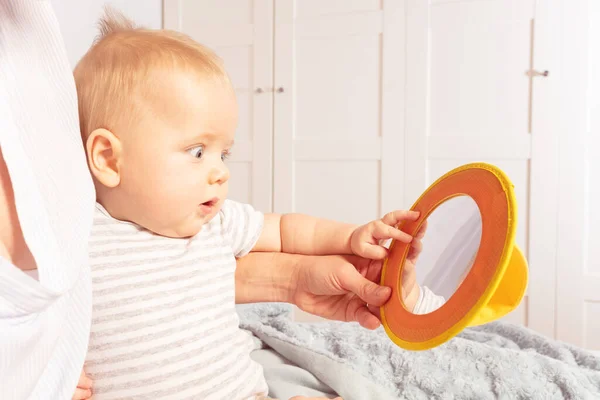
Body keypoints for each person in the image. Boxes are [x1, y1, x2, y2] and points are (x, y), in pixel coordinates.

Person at [72, 9, 435, 400]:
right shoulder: (75, 238)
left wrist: (351, 236)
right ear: (109, 158)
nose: (220, 172)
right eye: (197, 152)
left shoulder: (214, 223)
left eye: (223, 154)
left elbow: (286, 230)